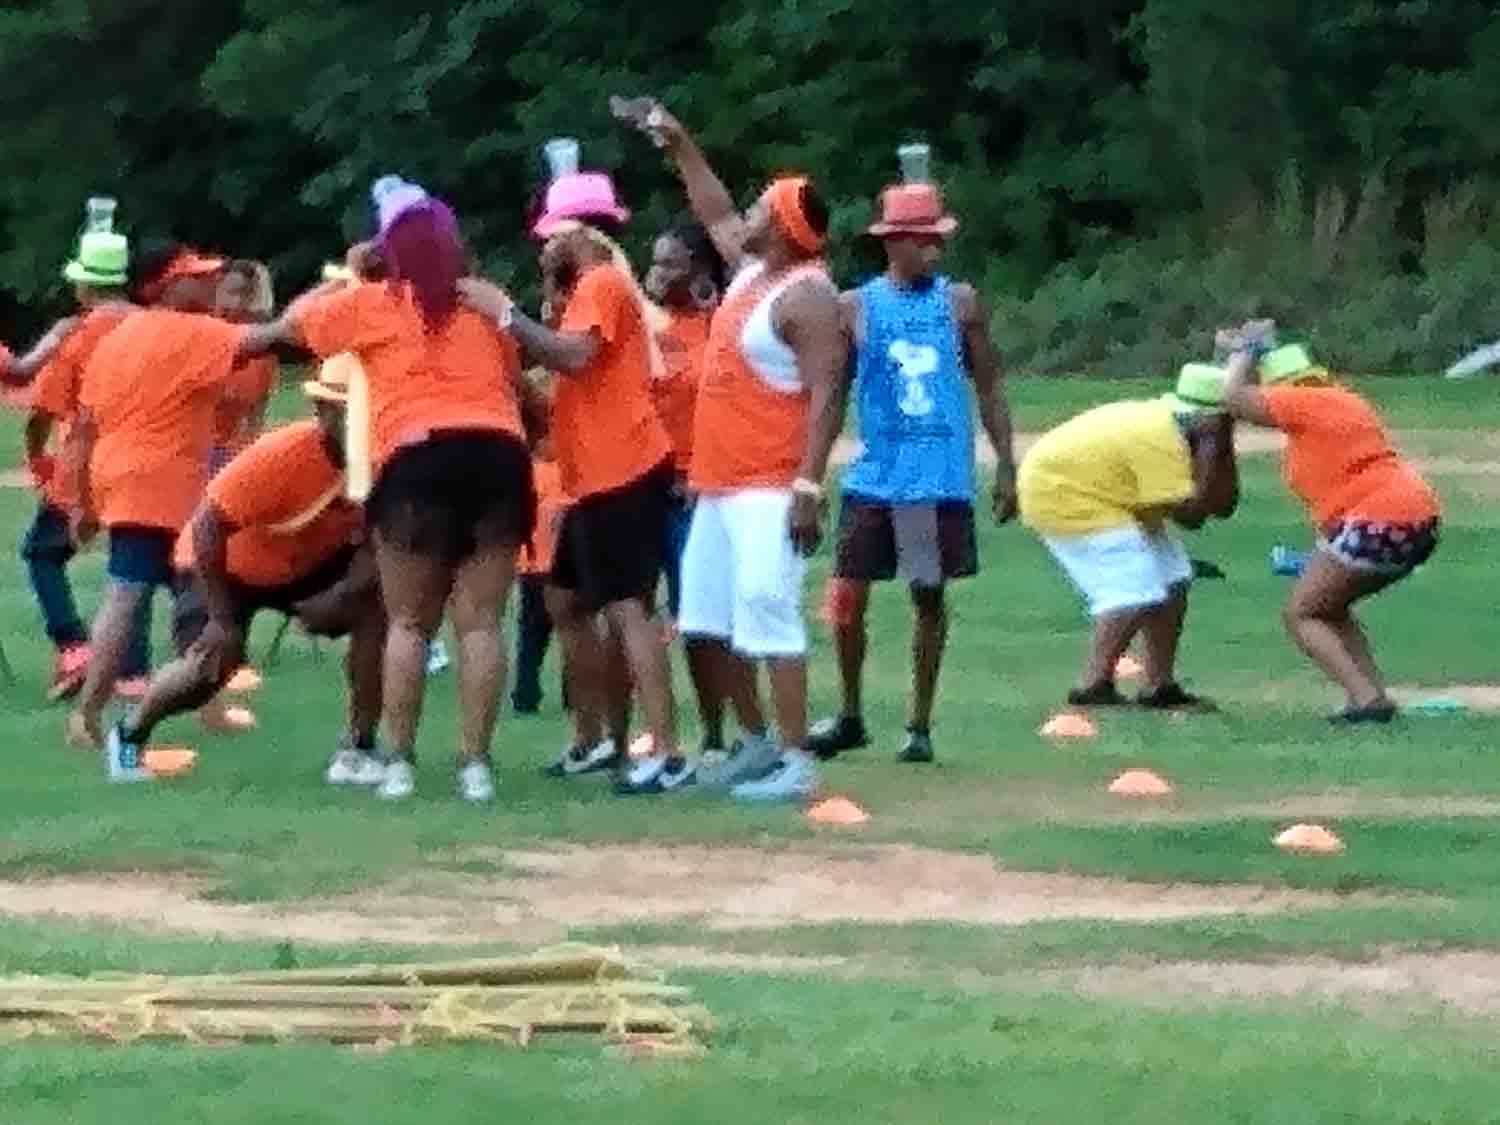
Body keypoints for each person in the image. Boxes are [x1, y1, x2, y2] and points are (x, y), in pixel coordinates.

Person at [249, 180, 533, 803]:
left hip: (415, 459)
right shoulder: (486, 304)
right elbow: (517, 384)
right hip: (497, 456)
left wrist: (350, 274)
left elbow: (279, 329)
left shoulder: (370, 303)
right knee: (481, 624)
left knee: (408, 622)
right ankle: (476, 767)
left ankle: (399, 762)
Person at [619, 101, 845, 801]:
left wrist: (808, 487)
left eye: (759, 209)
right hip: (719, 482)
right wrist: (678, 141)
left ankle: (796, 758)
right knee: (706, 621)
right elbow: (713, 206)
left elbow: (829, 393)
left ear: (780, 227)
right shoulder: (753, 272)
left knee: (768, 608)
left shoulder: (807, 295)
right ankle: (754, 741)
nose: (744, 214)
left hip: (771, 482)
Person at [461, 168, 686, 796]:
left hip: (624, 467)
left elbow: (577, 356)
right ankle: (596, 736)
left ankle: (665, 750)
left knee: (629, 609)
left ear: (581, 233)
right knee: (565, 600)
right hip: (592, 475)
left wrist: (505, 315)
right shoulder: (586, 289)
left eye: (551, 236)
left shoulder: (603, 282)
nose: (543, 247)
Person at [806, 163, 1018, 765]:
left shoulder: (960, 303)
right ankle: (850, 713)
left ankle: (918, 724)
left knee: (927, 595)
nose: (935, 249)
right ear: (893, 242)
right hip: (876, 474)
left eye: (939, 239)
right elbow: (832, 396)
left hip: (936, 475)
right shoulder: (855, 307)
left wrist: (1007, 464)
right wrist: (809, 478)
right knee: (847, 593)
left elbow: (989, 384)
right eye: (924, 239)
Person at [104, 363, 383, 783]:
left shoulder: (384, 462)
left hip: (302, 560)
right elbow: (208, 526)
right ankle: (129, 733)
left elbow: (383, 542)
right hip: (224, 565)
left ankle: (360, 746)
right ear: (322, 409)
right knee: (210, 667)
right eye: (349, 412)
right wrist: (221, 619)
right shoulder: (282, 455)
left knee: (375, 611)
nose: (360, 423)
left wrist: (343, 594)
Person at [66, 245, 258, 748]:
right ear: (167, 287)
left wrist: (82, 501)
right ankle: (91, 714)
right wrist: (344, 294)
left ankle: (97, 714)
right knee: (151, 598)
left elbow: (84, 427)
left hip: (123, 481)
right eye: (196, 276)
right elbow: (273, 337)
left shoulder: (116, 339)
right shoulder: (193, 331)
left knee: (158, 597)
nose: (209, 282)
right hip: (170, 487)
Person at [1221, 330, 1440, 722]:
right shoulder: (1341, 402)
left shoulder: (1304, 401)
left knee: (1301, 613)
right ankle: (1371, 696)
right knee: (1330, 607)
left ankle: (1366, 700)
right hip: (1414, 515)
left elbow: (1236, 400)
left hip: (1378, 518)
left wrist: (1243, 353)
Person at [1017, 364, 1239, 708]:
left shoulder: (1178, 429)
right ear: (1210, 421)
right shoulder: (1163, 438)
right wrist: (1214, 446)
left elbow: (1223, 506)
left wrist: (1222, 448)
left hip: (1106, 492)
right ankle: (1092, 685)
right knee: (1133, 588)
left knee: (1174, 577)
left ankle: (1159, 686)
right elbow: (1193, 516)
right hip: (1062, 492)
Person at [6, 228, 153, 700]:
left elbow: (43, 410)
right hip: (145, 459)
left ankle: (73, 648)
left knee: (42, 553)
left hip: (86, 464)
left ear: (84, 285)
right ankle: (133, 671)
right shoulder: (153, 326)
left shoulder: (77, 335)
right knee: (133, 561)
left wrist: (37, 456)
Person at [511, 372, 568, 715]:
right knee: (562, 631)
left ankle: (526, 694)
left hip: (540, 567)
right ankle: (533, 693)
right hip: (546, 567)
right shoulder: (556, 470)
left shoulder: (530, 471)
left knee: (535, 636)